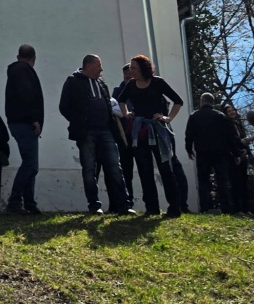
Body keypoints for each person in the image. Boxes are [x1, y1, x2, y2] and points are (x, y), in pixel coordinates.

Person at [59, 54, 133, 215]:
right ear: (89, 66)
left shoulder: (101, 83)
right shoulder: (73, 81)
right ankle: (94, 205)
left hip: (106, 132)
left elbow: (108, 104)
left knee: (115, 167)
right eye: (98, 65)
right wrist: (79, 123)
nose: (101, 69)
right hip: (86, 133)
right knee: (89, 170)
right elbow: (64, 106)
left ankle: (124, 205)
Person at [118, 54, 183, 217]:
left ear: (142, 69)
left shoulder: (157, 82)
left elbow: (178, 101)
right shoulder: (131, 85)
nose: (130, 71)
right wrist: (126, 113)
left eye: (133, 68)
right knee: (144, 169)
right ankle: (151, 208)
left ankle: (174, 207)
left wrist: (168, 118)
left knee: (165, 169)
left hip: (158, 130)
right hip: (140, 131)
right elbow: (121, 100)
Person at [4, 44, 44, 215]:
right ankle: (15, 201)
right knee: (31, 165)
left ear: (18, 55)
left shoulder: (16, 70)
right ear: (33, 59)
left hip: (17, 122)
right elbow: (26, 94)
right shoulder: (24, 71)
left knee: (29, 163)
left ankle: (29, 203)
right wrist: (33, 119)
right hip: (24, 123)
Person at [184, 93, 240, 213]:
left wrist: (189, 149)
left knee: (203, 180)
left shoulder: (194, 116)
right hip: (220, 152)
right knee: (222, 179)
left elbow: (189, 134)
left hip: (202, 152)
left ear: (202, 101)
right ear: (212, 102)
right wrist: (236, 153)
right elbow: (230, 137)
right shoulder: (220, 116)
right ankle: (226, 207)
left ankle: (205, 207)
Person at [111, 64, 135, 209]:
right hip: (123, 136)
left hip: (139, 135)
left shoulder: (139, 89)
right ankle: (127, 200)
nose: (128, 76)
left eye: (130, 74)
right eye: (126, 74)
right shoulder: (117, 92)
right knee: (126, 170)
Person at [223, 102, 250, 213]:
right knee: (236, 182)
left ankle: (246, 208)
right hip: (233, 156)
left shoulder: (238, 124)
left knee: (244, 181)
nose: (232, 112)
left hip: (243, 155)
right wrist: (236, 154)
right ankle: (237, 208)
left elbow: (242, 139)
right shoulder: (227, 125)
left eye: (233, 110)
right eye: (229, 111)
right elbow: (230, 141)